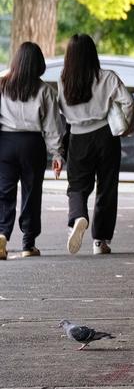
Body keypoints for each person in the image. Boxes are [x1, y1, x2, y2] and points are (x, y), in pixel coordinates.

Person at [58, 34, 134, 255]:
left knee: (77, 186)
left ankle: (78, 217)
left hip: (78, 137)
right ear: (93, 53)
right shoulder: (107, 77)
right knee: (107, 187)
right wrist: (126, 126)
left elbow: (61, 110)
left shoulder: (64, 81)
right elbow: (128, 102)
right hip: (105, 135)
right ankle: (100, 241)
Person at [0, 42, 64, 259]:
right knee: (31, 193)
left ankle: (2, 234)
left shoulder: (1, 85)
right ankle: (28, 244)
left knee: (4, 193)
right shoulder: (45, 90)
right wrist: (57, 153)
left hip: (6, 144)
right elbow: (53, 126)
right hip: (32, 144)